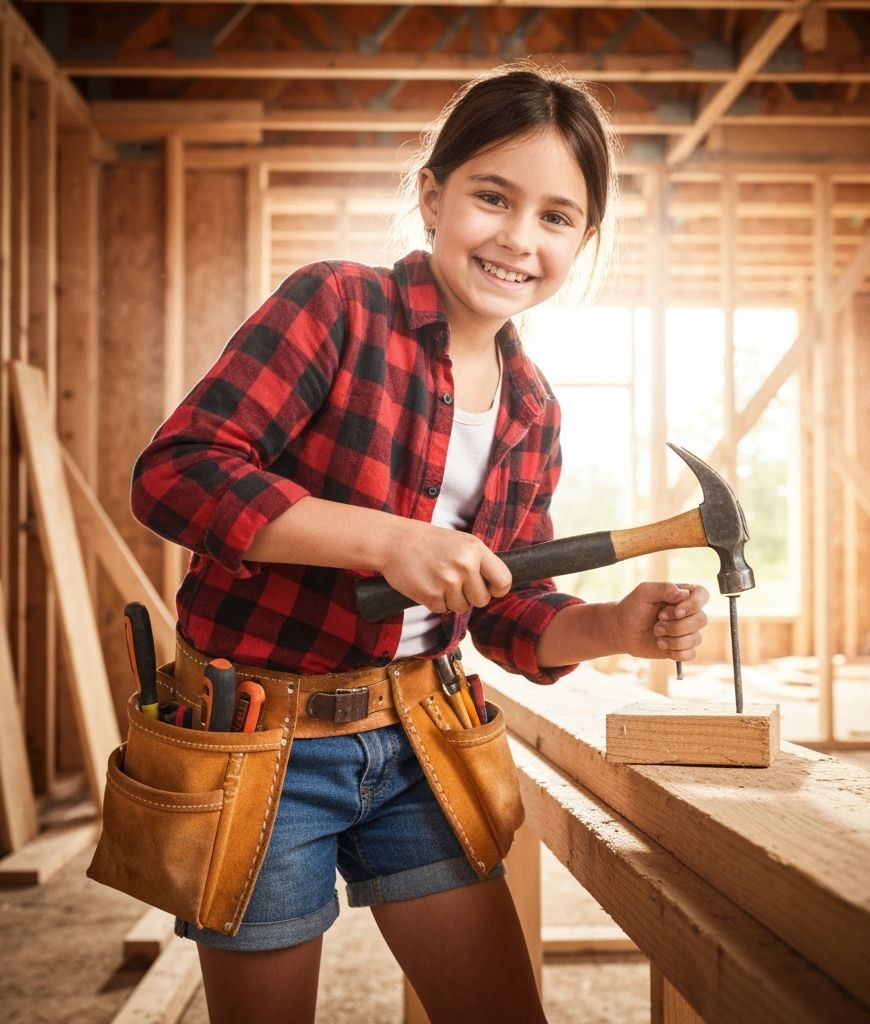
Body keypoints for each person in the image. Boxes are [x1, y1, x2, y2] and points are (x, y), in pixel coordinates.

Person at [130, 63, 709, 1024]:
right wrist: (383, 542)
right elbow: (178, 472)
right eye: (493, 197)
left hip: (418, 738)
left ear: (585, 239)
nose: (519, 238)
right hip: (258, 738)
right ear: (433, 195)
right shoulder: (336, 308)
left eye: (557, 217)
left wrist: (613, 624)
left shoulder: (532, 409)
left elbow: (511, 611)